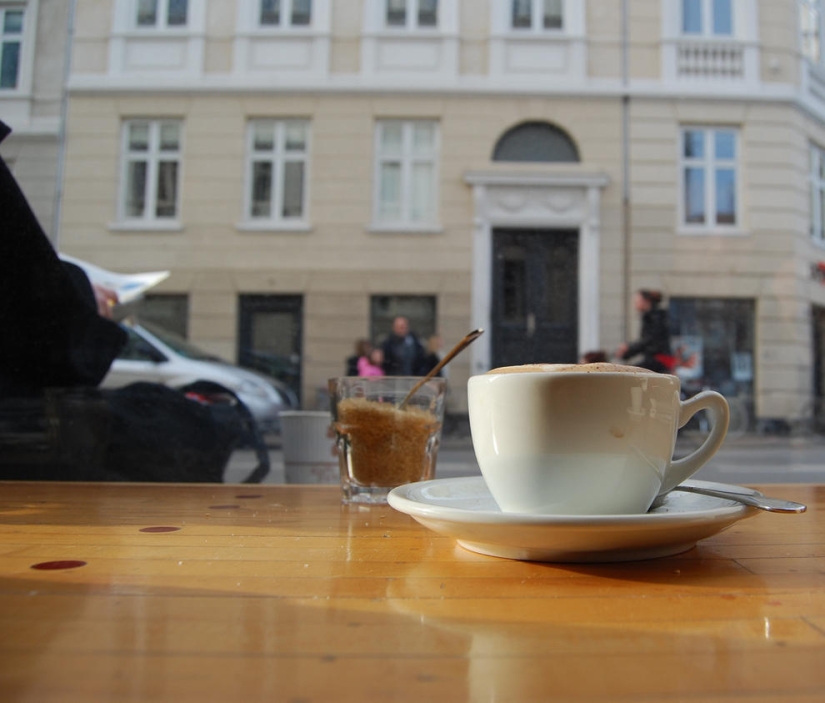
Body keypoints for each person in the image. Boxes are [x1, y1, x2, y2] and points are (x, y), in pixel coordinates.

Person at [616, 289, 673, 373]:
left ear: (645, 301)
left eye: (637, 301)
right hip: (658, 360)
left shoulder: (654, 317)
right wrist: (628, 351)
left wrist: (629, 349)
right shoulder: (654, 316)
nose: (635, 304)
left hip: (659, 359)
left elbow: (649, 340)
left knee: (629, 374)